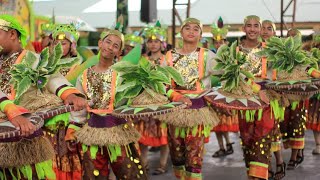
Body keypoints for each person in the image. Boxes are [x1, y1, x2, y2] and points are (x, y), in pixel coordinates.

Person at [0, 14, 87, 180]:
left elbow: (51, 77)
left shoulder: (32, 58)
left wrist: (70, 93)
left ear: (12, 34)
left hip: (25, 137)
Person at [66, 26, 147, 180]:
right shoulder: (84, 75)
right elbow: (79, 110)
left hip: (120, 132)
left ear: (119, 52)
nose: (110, 47)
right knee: (94, 176)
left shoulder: (124, 74)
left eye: (116, 45)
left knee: (129, 174)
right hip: (92, 133)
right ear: (100, 43)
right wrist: (73, 130)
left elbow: (131, 101)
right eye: (107, 42)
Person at [159, 17, 219, 180]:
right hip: (175, 112)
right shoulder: (169, 56)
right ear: (181, 32)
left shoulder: (208, 56)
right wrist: (175, 95)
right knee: (177, 157)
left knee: (194, 158)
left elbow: (225, 76)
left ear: (200, 35)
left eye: (196, 29)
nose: (191, 32)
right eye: (188, 28)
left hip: (197, 113)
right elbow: (161, 84)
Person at [238, 15, 275, 180]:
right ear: (243, 28)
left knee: (262, 140)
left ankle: (260, 177)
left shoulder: (270, 49)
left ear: (261, 29)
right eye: (249, 25)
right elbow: (234, 75)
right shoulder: (235, 50)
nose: (252, 29)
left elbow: (276, 75)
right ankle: (251, 176)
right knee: (247, 140)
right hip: (244, 103)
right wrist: (254, 87)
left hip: (266, 102)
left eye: (256, 26)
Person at [134, 21, 170, 175]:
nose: (153, 44)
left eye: (156, 41)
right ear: (146, 44)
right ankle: (144, 163)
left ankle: (162, 164)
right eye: (150, 41)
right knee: (143, 135)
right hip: (144, 101)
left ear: (162, 43)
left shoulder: (167, 59)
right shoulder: (142, 60)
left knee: (163, 135)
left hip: (162, 100)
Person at [260, 19, 286, 180]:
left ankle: (279, 162)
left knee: (272, 130)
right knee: (261, 132)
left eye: (269, 29)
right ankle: (267, 165)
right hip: (257, 95)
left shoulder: (279, 51)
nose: (265, 31)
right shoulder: (254, 50)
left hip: (274, 96)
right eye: (263, 28)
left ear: (274, 33)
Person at [209, 16, 238, 158]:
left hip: (226, 91)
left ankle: (227, 144)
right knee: (217, 124)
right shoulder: (210, 55)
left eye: (221, 41)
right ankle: (223, 146)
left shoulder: (230, 55)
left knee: (223, 122)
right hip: (213, 91)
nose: (218, 43)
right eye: (216, 41)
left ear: (226, 42)